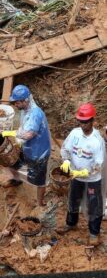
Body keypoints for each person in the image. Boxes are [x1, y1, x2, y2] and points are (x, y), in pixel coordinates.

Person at [57, 103, 105, 245]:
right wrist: (65, 161)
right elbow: (65, 148)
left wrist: (85, 172)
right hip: (75, 176)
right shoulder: (74, 133)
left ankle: (94, 233)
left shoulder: (97, 141)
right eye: (80, 121)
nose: (83, 125)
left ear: (92, 121)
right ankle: (71, 224)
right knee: (73, 199)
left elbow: (98, 164)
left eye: (86, 122)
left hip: (92, 179)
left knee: (94, 205)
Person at [1, 84, 52, 207]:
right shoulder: (26, 109)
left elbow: (28, 135)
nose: (15, 105)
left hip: (39, 152)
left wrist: (10, 133)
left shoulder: (35, 114)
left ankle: (40, 203)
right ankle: (17, 181)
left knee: (40, 180)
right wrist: (18, 139)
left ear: (25, 100)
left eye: (17, 102)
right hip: (28, 148)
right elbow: (24, 126)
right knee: (14, 163)